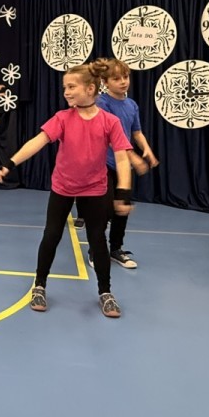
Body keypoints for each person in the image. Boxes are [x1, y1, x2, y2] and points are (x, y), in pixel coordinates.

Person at [0, 61, 145, 317]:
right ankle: (39, 285)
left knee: (98, 240)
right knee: (51, 235)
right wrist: (11, 163)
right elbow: (37, 142)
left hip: (95, 189)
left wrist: (123, 192)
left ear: (90, 89)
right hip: (63, 186)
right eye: (65, 87)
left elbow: (122, 158)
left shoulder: (109, 121)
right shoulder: (63, 118)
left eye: (72, 86)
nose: (66, 92)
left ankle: (105, 292)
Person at [94, 57, 158, 268]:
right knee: (103, 211)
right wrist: (133, 157)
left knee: (122, 209)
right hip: (104, 165)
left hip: (124, 168)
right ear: (105, 82)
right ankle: (95, 250)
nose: (123, 82)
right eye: (116, 78)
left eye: (125, 77)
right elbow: (112, 137)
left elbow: (136, 132)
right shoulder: (102, 103)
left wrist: (146, 149)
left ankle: (115, 249)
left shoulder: (132, 105)